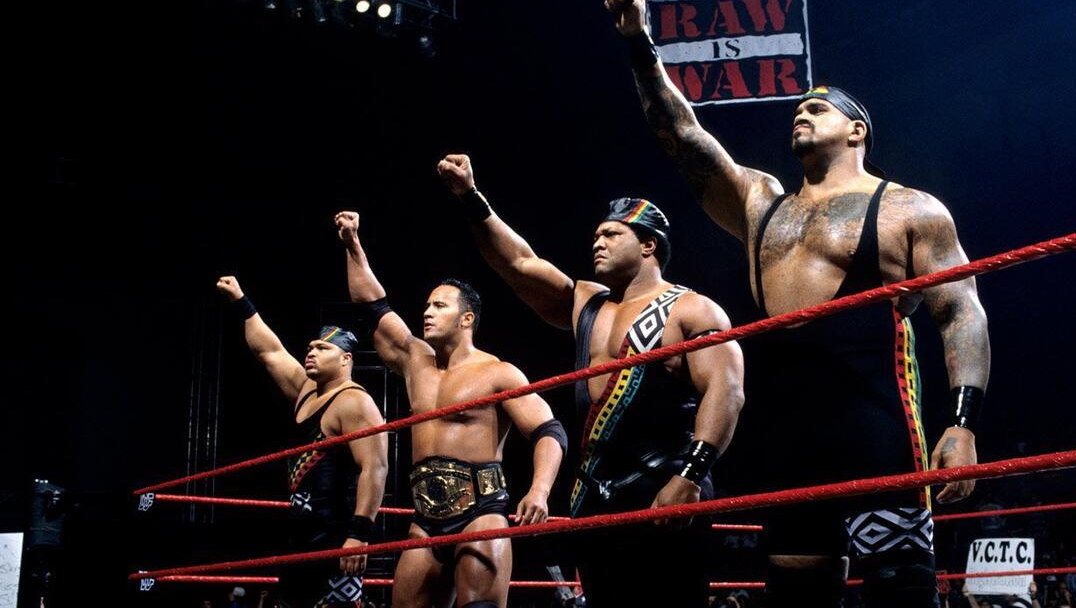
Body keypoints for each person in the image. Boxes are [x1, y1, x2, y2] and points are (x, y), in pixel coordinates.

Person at [604, 0, 991, 607]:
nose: (800, 114)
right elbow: (681, 133)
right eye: (798, 109)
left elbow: (961, 312)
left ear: (857, 130)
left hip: (877, 427)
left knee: (901, 592)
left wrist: (963, 422)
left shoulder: (909, 210)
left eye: (817, 108)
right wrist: (639, 43)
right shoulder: (761, 204)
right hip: (788, 435)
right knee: (795, 594)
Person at [437, 154, 745, 607]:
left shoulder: (691, 309)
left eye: (611, 234)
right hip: (593, 489)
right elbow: (519, 264)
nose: (597, 242)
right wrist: (470, 196)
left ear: (648, 245)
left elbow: (727, 391)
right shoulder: (587, 302)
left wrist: (690, 475)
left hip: (666, 481)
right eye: (596, 235)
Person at [335, 211, 565, 608]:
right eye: (427, 305)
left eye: (439, 306)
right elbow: (372, 307)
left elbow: (549, 430)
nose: (427, 312)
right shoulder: (415, 361)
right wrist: (352, 244)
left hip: (482, 512)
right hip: (424, 518)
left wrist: (540, 491)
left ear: (466, 319)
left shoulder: (498, 372)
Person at [216, 276, 387, 607]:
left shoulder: (355, 402)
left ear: (346, 359)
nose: (311, 352)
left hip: (336, 535)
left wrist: (359, 534)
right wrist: (241, 300)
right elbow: (269, 351)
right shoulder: (306, 392)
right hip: (299, 534)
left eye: (323, 348)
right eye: (310, 347)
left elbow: (376, 468)